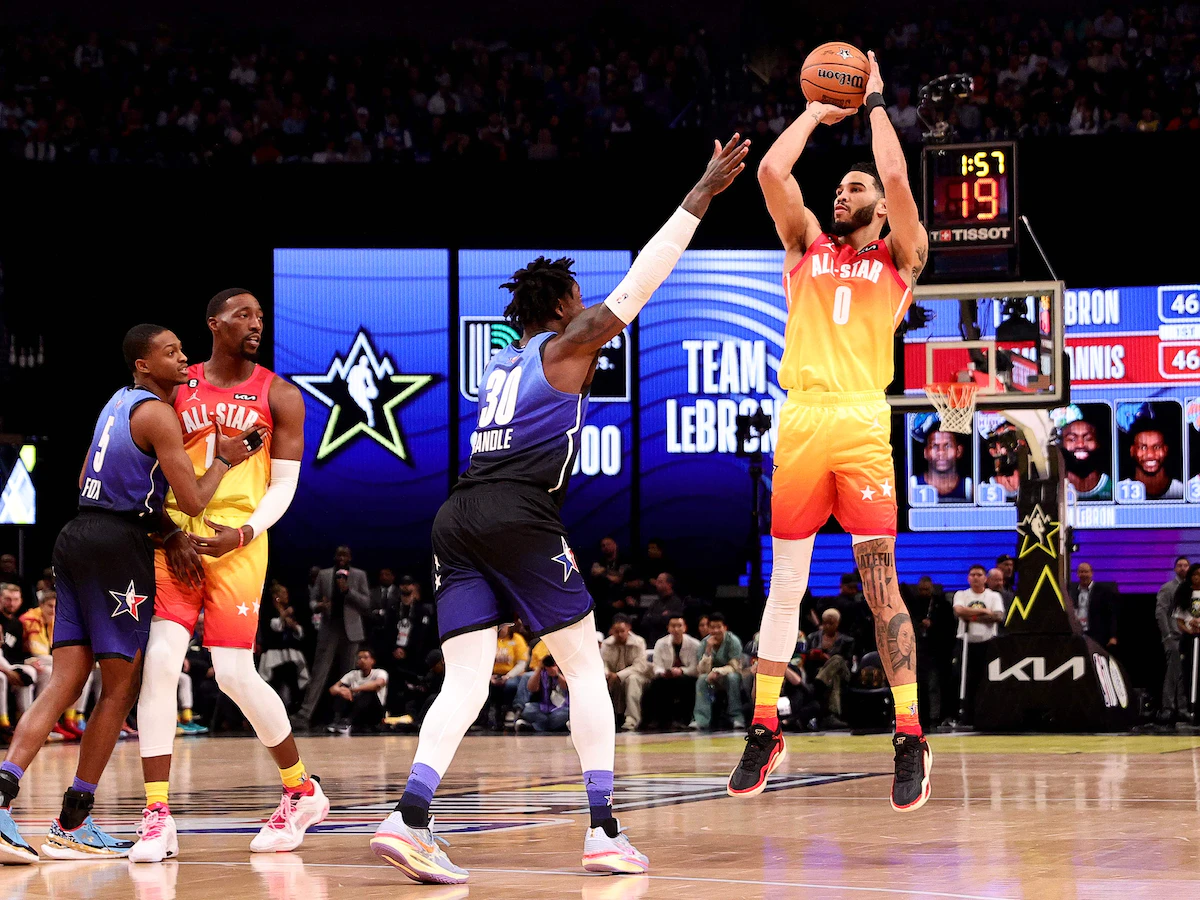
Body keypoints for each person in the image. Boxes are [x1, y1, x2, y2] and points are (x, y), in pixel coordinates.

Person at [369, 134, 748, 884]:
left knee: (466, 678)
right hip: (518, 512)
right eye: (579, 298)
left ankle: (409, 817)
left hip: (458, 515)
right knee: (583, 668)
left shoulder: (500, 363)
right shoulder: (563, 345)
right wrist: (699, 196)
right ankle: (604, 830)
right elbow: (640, 285)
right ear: (563, 307)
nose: (588, 306)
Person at [733, 51, 932, 810]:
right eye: (840, 187)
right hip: (802, 418)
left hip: (860, 419)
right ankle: (765, 727)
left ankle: (909, 735)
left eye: (855, 188)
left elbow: (899, 178)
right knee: (785, 584)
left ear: (879, 208)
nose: (841, 192)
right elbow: (771, 174)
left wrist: (875, 102)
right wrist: (816, 110)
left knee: (880, 583)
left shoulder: (902, 255)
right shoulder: (805, 247)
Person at [0, 323, 261, 864]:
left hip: (76, 536)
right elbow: (193, 501)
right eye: (170, 352)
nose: (183, 358)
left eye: (182, 350)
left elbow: (84, 479)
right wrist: (225, 459)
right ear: (143, 365)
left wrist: (163, 530)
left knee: (64, 681)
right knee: (121, 687)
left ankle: (4, 796)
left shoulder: (115, 404)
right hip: (116, 549)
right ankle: (73, 822)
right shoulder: (159, 413)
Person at [131, 290, 327, 864]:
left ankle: (301, 791)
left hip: (238, 542)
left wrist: (242, 534)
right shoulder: (177, 383)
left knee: (234, 674)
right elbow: (146, 463)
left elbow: (283, 487)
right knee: (161, 663)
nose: (255, 323)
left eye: (260, 316)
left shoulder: (280, 394)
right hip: (175, 541)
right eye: (243, 315)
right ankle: (157, 815)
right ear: (213, 323)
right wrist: (165, 530)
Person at [293, 547, 371, 728]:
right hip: (330, 628)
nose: (342, 558)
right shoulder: (324, 574)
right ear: (335, 557)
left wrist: (348, 590)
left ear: (350, 557)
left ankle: (343, 716)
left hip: (351, 630)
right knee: (319, 672)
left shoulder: (359, 575)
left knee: (348, 674)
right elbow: (312, 601)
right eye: (339, 555)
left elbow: (366, 603)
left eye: (345, 555)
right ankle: (305, 714)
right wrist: (318, 605)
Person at [953, 565, 1006, 725]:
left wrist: (972, 616)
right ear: (968, 578)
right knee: (964, 679)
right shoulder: (961, 594)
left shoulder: (993, 596)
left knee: (986, 679)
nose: (975, 577)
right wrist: (984, 612)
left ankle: (986, 714)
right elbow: (958, 611)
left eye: (979, 575)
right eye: (972, 575)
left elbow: (997, 616)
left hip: (987, 642)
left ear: (985, 578)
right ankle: (965, 715)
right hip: (966, 642)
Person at [645, 615, 700, 728]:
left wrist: (681, 670)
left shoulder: (695, 644)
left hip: (687, 676)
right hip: (667, 676)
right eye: (673, 626)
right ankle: (659, 720)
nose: (676, 629)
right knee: (656, 683)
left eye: (679, 626)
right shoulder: (660, 643)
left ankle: (683, 719)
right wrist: (664, 672)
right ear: (668, 628)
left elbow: (695, 668)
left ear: (684, 628)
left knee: (685, 683)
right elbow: (657, 665)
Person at [692, 612, 744, 730]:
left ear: (724, 627)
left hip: (729, 675)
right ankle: (701, 719)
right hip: (711, 677)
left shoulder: (733, 641)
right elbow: (702, 669)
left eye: (718, 627)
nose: (715, 630)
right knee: (702, 679)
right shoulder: (704, 643)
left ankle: (736, 717)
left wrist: (718, 671)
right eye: (712, 627)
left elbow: (735, 666)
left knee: (732, 678)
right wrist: (708, 650)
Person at [601, 615, 651, 732]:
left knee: (632, 679)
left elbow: (640, 666)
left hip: (639, 677)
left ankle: (632, 720)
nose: (619, 634)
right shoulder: (606, 644)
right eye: (616, 631)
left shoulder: (638, 642)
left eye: (622, 631)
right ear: (612, 631)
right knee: (600, 681)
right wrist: (607, 673)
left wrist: (619, 675)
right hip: (613, 676)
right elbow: (603, 663)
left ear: (628, 628)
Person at [1157, 556, 1190, 724]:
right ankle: (1168, 708)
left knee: (1185, 674)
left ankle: (1183, 708)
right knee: (1173, 673)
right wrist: (1167, 636)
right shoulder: (1168, 588)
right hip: (1174, 637)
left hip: (1189, 637)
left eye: (1186, 565)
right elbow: (1161, 613)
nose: (1183, 568)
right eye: (1180, 565)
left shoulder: (1192, 589)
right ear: (1175, 568)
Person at [328, 649, 388, 735]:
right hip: (356, 709)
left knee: (368, 692)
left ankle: (348, 722)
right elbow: (332, 689)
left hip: (374, 711)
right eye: (359, 658)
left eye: (365, 658)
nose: (362, 660)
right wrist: (342, 691)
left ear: (372, 661)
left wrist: (353, 690)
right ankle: (338, 721)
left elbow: (378, 684)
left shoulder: (380, 672)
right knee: (342, 690)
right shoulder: (353, 674)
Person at [1119, 421, 1184, 500]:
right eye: (1143, 447)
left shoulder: (1182, 491)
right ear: (1132, 451)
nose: (1150, 455)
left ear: (1165, 450)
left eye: (1157, 447)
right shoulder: (1119, 492)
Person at [912, 428, 972, 501]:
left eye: (947, 446)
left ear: (958, 451)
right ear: (925, 452)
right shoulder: (912, 485)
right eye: (935, 446)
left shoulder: (970, 488)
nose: (941, 452)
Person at [1061, 415, 1112, 500]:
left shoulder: (1113, 486)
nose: (1080, 445)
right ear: (1061, 444)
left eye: (1088, 439)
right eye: (1072, 439)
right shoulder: (1055, 487)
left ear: (1098, 443)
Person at [1069, 562, 1119, 648]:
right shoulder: (1071, 591)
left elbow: (1111, 615)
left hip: (1096, 636)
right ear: (1077, 574)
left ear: (1091, 573)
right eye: (1081, 572)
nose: (1084, 575)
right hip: (1076, 635)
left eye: (1086, 572)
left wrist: (1113, 637)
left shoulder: (1103, 591)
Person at [519, 655, 570, 733]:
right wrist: (539, 669)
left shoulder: (565, 671)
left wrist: (557, 675)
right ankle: (553, 727)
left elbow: (566, 687)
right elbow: (531, 688)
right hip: (542, 707)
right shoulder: (542, 673)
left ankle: (536, 727)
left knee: (565, 714)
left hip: (562, 708)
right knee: (528, 710)